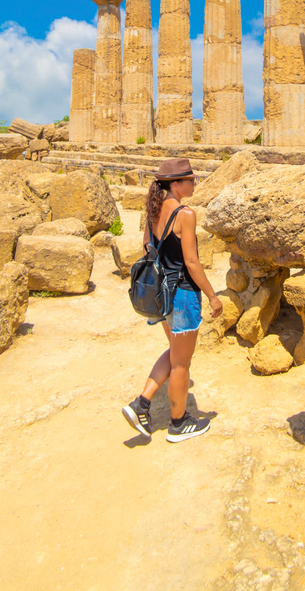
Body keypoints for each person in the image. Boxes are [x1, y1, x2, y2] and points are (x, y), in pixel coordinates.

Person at [122, 157, 223, 442]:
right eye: (190, 179)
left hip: (161, 295)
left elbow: (146, 247)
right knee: (182, 364)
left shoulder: (153, 210)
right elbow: (191, 262)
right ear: (176, 184)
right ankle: (178, 423)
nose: (193, 183)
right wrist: (212, 296)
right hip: (182, 295)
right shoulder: (185, 214)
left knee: (174, 352)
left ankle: (141, 403)